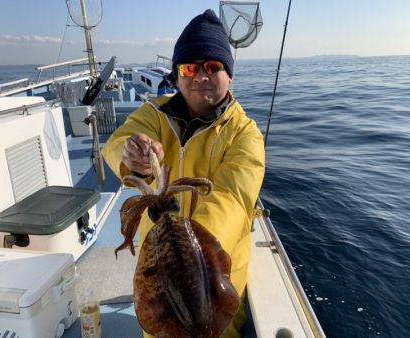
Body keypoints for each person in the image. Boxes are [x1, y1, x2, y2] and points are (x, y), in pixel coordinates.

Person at [102, 8, 265, 338]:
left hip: (214, 272)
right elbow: (118, 142)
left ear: (229, 75)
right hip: (158, 264)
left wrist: (184, 241)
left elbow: (233, 198)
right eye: (190, 67)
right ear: (177, 75)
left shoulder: (245, 134)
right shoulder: (153, 113)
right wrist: (131, 154)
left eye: (213, 67)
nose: (200, 76)